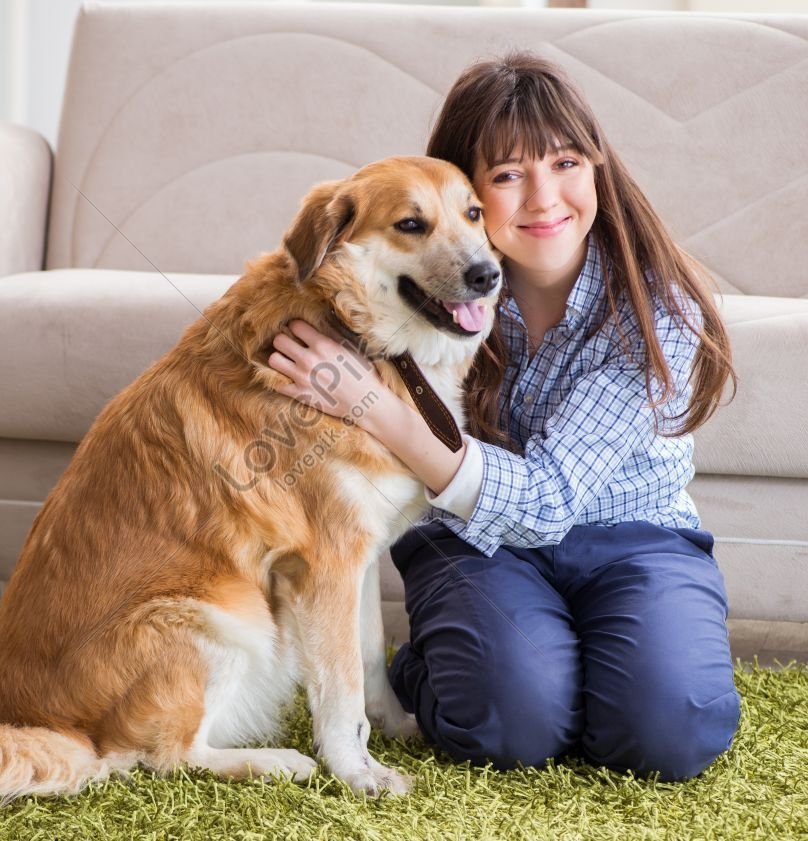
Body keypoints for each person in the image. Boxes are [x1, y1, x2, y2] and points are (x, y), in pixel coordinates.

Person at [265, 52, 740, 782]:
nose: (545, 197)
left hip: (636, 541)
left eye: (566, 162)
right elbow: (338, 270)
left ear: (598, 170)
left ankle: (578, 672)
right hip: (482, 545)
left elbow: (550, 499)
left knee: (669, 730)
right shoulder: (420, 294)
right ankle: (475, 668)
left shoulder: (655, 312)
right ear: (467, 191)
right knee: (505, 723)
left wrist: (374, 408)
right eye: (509, 174)